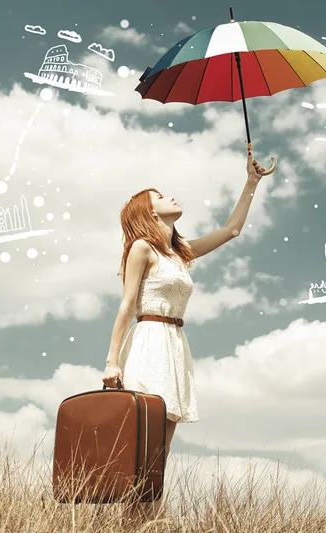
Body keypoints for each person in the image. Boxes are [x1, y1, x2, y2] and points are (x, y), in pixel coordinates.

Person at [102, 143, 267, 524]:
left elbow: (232, 229)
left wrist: (251, 182)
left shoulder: (180, 253)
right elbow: (127, 306)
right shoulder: (142, 248)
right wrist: (112, 361)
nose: (169, 196)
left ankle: (144, 522)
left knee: (160, 451)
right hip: (149, 341)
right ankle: (138, 521)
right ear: (148, 212)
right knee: (145, 443)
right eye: (159, 197)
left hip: (176, 345)